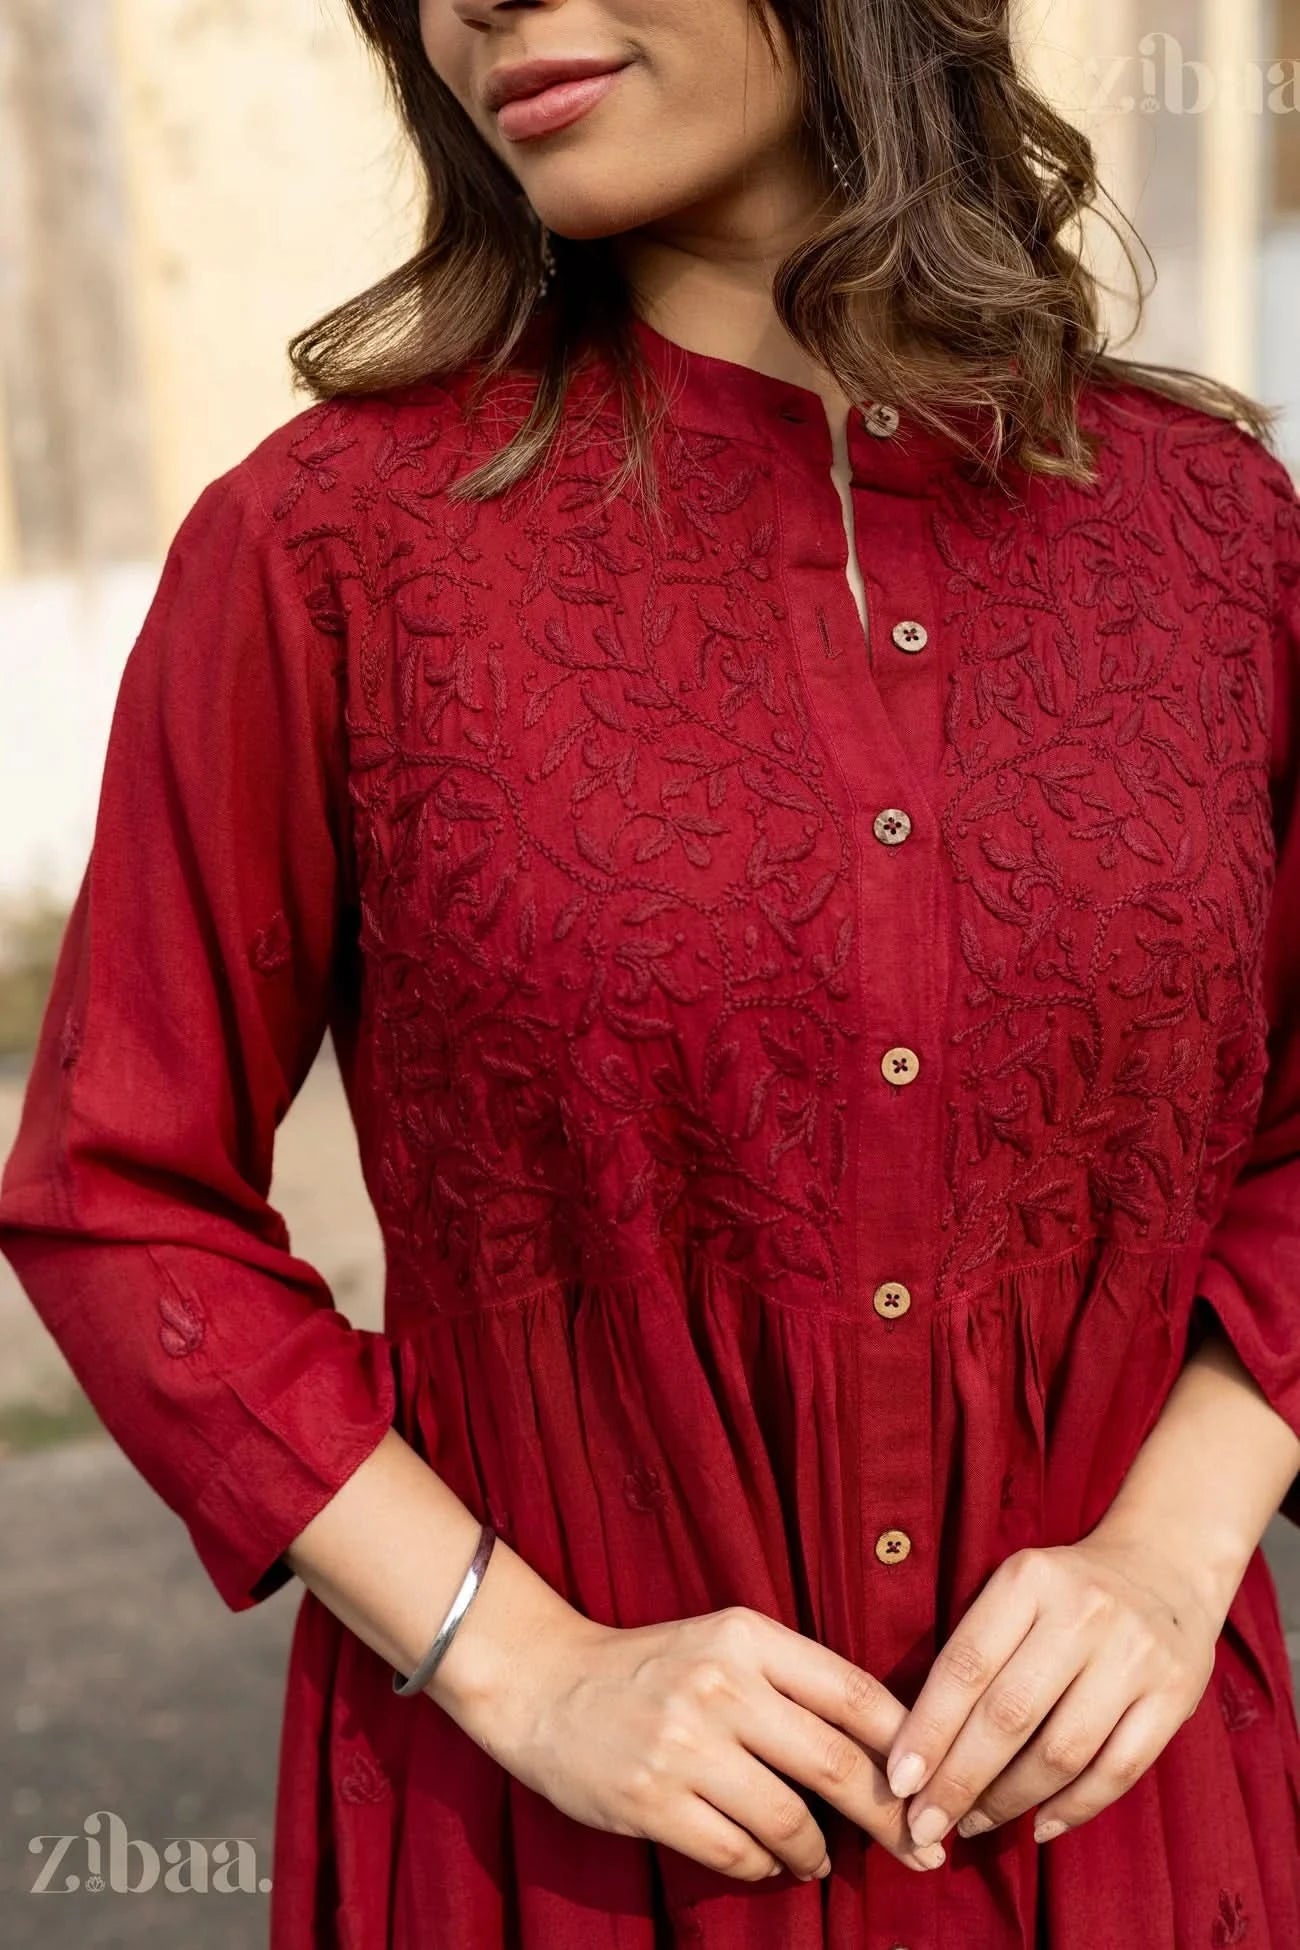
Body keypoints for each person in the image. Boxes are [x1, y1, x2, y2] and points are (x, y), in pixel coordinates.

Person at [3, 0, 1300, 1943]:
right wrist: (523, 1662)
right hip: (558, 1848)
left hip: (1120, 1820)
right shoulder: (326, 554)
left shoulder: (1211, 537)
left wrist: (1170, 1555)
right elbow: (117, 1185)